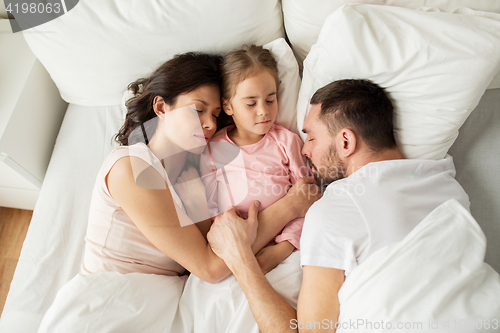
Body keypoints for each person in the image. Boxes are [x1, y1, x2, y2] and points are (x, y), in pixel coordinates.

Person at [207, 79, 470, 332]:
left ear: (346, 141)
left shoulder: (338, 207)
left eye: (311, 137)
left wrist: (240, 258)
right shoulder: (447, 185)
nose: (304, 150)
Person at [80, 52, 319, 284]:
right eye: (198, 110)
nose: (209, 124)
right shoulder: (130, 168)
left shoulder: (196, 171)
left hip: (166, 297)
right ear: (161, 107)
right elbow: (211, 268)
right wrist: (289, 206)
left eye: (215, 114)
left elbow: (214, 247)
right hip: (111, 292)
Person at [200, 44, 310, 273]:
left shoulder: (286, 142)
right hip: (231, 250)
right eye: (251, 103)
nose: (263, 111)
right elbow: (210, 212)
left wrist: (284, 247)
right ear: (227, 106)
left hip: (287, 248)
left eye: (270, 100)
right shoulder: (211, 151)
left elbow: (308, 199)